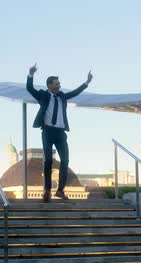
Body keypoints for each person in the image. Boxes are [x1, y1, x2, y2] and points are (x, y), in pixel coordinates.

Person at [26, 63, 93, 202]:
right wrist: (31, 74)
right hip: (47, 131)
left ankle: (60, 190)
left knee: (65, 160)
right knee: (48, 160)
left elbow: (74, 93)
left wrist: (86, 82)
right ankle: (47, 190)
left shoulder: (62, 96)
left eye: (59, 83)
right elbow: (29, 88)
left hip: (61, 133)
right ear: (50, 85)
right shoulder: (43, 96)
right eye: (57, 84)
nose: (59, 85)